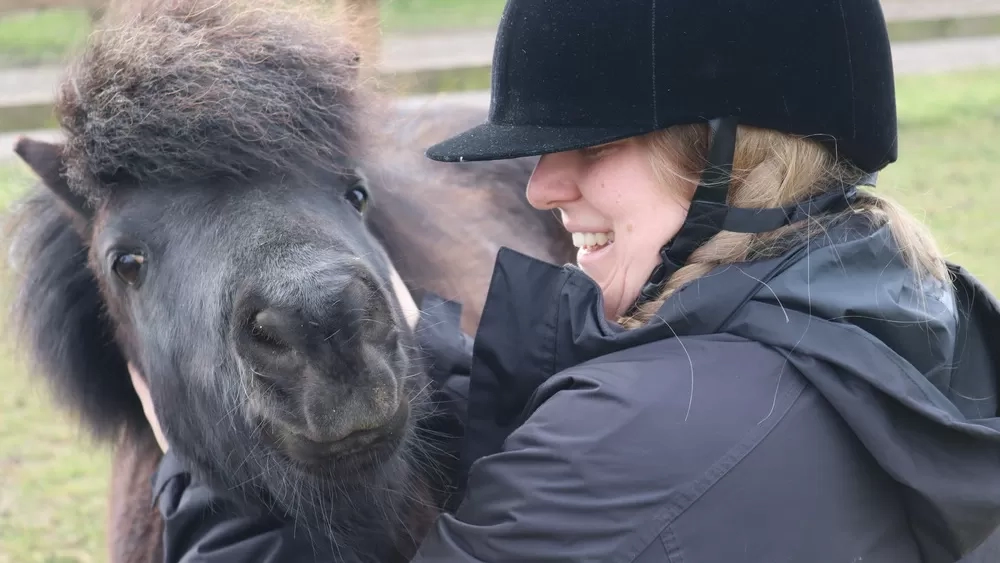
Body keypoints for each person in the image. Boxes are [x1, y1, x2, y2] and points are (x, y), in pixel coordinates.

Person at [128, 0, 1000, 561]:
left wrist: (202, 472)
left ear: (732, 158)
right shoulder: (923, 305)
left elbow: (638, 464)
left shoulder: (646, 436)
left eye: (593, 144)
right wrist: (443, 366)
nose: (542, 188)